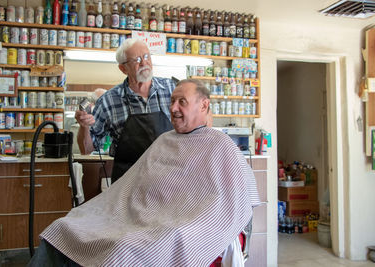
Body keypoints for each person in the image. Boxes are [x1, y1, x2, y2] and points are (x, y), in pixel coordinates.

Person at [28, 79, 260, 267]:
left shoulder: (220, 144)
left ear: (204, 106)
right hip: (140, 213)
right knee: (65, 226)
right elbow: (132, 184)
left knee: (123, 249)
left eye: (182, 102)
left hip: (176, 223)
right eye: (172, 101)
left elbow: (239, 198)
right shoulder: (164, 140)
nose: (173, 108)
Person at [75, 38, 176, 183]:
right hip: (128, 185)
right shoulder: (108, 101)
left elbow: (196, 122)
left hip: (170, 181)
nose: (144, 62)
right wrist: (84, 127)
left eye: (147, 56)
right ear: (123, 69)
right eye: (137, 59)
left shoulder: (172, 90)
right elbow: (86, 150)